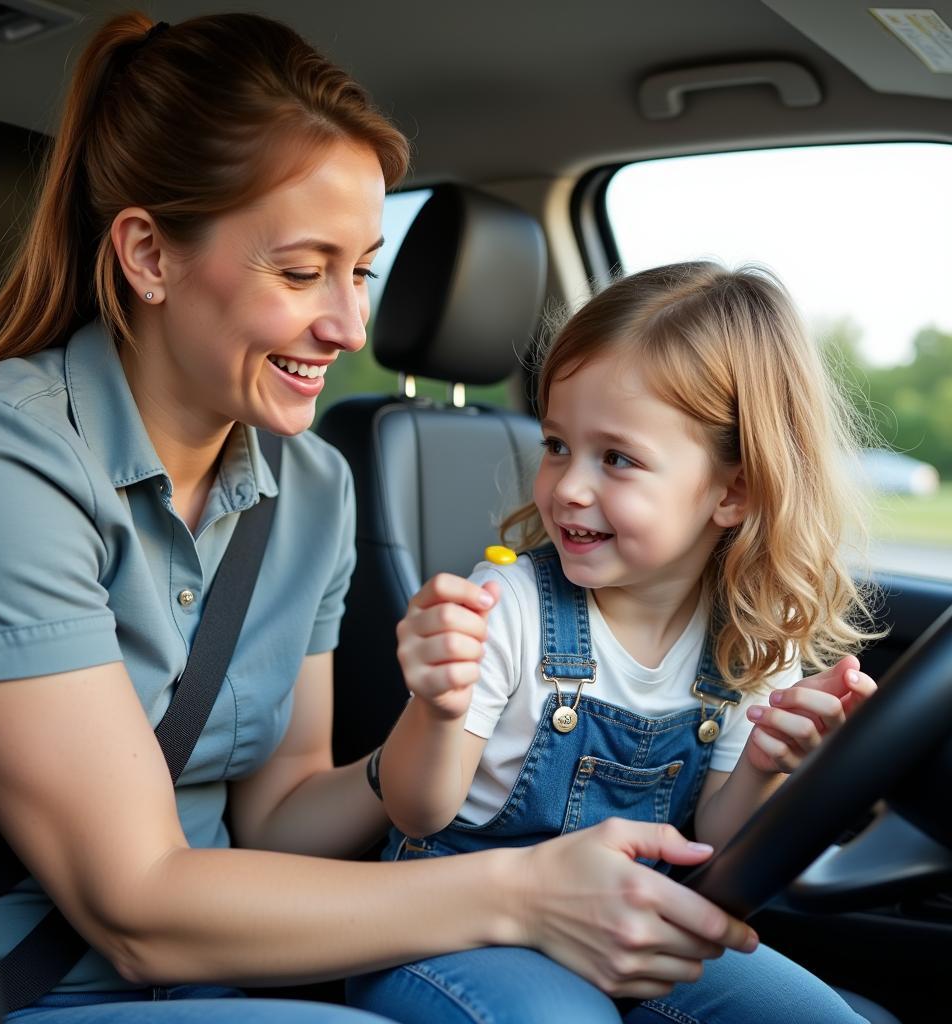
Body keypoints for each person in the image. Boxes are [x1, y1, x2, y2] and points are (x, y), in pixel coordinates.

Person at [0, 13, 761, 1024]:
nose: (349, 325)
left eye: (360, 268)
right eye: (299, 270)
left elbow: (278, 815)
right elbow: (134, 905)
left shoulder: (312, 486)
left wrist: (429, 726)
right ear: (148, 254)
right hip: (38, 989)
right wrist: (524, 895)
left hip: (237, 970)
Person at [348, 262, 883, 1023]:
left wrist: (768, 761)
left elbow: (720, 835)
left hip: (627, 925)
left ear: (731, 492)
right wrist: (437, 708)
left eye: (618, 459)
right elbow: (417, 811)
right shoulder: (513, 605)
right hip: (451, 930)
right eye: (558, 445)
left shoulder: (751, 641)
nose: (567, 486)